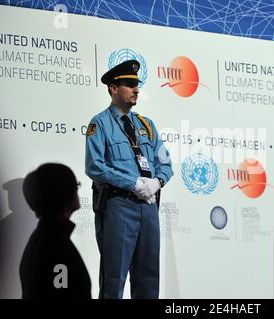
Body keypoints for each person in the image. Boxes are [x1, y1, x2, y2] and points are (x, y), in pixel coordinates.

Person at [85, 59, 173, 299]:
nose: (136, 90)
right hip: (119, 206)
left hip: (148, 208)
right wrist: (132, 183)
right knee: (114, 280)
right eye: (129, 84)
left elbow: (166, 163)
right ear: (113, 88)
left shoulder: (147, 125)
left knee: (149, 278)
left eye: (137, 85)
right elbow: (94, 166)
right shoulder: (99, 124)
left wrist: (158, 182)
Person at [20, 163, 91, 299]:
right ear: (65, 192)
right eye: (76, 185)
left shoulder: (45, 238)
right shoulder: (55, 246)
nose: (77, 190)